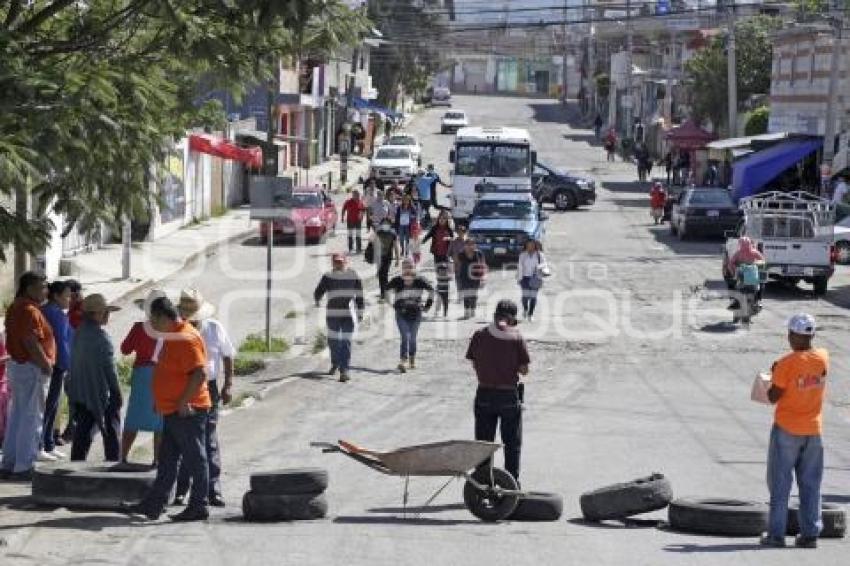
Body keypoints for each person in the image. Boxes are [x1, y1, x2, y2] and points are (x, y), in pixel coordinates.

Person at [122, 296, 211, 522]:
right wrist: (161, 399)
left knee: (195, 458)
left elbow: (199, 373)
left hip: (188, 411)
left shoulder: (186, 338)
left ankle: (199, 505)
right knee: (167, 460)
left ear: (163, 317)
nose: (150, 324)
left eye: (153, 319)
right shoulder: (173, 335)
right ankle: (153, 505)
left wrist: (183, 402)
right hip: (172, 409)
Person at [760, 314, 828, 549]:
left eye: (791, 334)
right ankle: (810, 534)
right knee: (811, 484)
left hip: (787, 430)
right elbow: (810, 375)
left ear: (793, 335)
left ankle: (776, 535)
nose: (789, 338)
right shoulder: (823, 358)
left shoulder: (786, 363)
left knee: (780, 483)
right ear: (812, 335)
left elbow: (773, 397)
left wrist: (772, 376)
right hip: (814, 430)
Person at [174, 289, 235, 508]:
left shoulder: (214, 328)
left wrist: (228, 384)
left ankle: (213, 489)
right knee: (186, 441)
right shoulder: (177, 331)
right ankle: (181, 490)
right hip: (184, 388)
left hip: (208, 387)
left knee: (208, 439)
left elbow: (228, 356)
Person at [465, 300, 530, 483]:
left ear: (495, 315)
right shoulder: (516, 336)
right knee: (512, 444)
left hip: (484, 394)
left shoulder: (479, 334)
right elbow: (524, 370)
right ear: (511, 319)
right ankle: (511, 485)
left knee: (484, 445)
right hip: (508, 395)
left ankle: (483, 484)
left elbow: (474, 362)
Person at [1, 272, 55, 480]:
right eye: (42, 286)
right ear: (30, 288)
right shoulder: (29, 310)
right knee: (31, 418)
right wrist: (45, 364)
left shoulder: (16, 307)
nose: (46, 290)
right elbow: (30, 341)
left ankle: (11, 462)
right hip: (31, 367)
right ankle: (24, 465)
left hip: (18, 366)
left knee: (18, 416)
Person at [67, 294, 122, 462]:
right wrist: (117, 392)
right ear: (96, 314)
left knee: (83, 432)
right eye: (105, 312)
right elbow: (110, 370)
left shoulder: (78, 333)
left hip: (80, 389)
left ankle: (75, 467)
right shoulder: (101, 337)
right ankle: (113, 468)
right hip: (98, 391)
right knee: (111, 429)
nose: (107, 316)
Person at [120, 290, 164, 466]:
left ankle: (122, 457)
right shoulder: (169, 329)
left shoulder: (139, 327)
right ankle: (157, 460)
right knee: (160, 420)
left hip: (141, 375)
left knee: (134, 416)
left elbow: (125, 349)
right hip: (161, 375)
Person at [314, 253, 365, 383]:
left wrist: (360, 312)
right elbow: (319, 291)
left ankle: (344, 371)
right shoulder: (327, 277)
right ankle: (335, 363)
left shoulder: (353, 276)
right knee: (333, 342)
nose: (339, 264)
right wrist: (317, 299)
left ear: (345, 262)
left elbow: (359, 296)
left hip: (348, 313)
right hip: (332, 313)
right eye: (336, 262)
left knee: (345, 342)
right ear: (333, 263)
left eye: (341, 261)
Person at [41, 280, 73, 460]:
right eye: (66, 296)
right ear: (56, 296)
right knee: (50, 405)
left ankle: (48, 443)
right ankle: (43, 444)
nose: (69, 299)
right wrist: (66, 364)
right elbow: (61, 342)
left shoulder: (50, 311)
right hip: (56, 364)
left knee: (53, 406)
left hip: (53, 362)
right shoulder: (55, 314)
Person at [387, 259, 434, 372]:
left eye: (410, 267)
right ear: (402, 268)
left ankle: (412, 358)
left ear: (414, 268)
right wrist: (392, 304)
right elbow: (386, 291)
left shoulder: (420, 280)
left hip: (416, 313)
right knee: (405, 336)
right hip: (401, 313)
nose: (408, 270)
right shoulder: (397, 280)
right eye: (406, 267)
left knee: (412, 338)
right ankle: (403, 360)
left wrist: (427, 306)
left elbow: (431, 291)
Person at [516, 239, 548, 321]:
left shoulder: (539, 255)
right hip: (525, 278)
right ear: (526, 246)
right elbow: (520, 267)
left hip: (536, 277)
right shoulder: (522, 255)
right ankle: (525, 309)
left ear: (535, 245)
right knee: (525, 297)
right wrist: (519, 278)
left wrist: (539, 267)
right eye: (528, 245)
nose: (530, 246)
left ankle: (531, 314)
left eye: (532, 245)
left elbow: (544, 264)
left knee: (533, 297)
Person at [457, 239, 487, 319]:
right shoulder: (461, 254)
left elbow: (483, 265)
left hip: (476, 276)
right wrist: (457, 276)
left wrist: (483, 277)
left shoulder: (479, 253)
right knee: (466, 294)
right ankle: (467, 311)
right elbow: (459, 265)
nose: (470, 246)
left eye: (472, 244)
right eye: (468, 244)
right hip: (464, 276)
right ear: (465, 246)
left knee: (474, 294)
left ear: (475, 245)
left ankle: (473, 309)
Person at [373, 218, 401, 301]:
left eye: (387, 223)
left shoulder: (393, 233)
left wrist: (398, 259)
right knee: (380, 275)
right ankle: (384, 292)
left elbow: (396, 246)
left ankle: (384, 293)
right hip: (379, 257)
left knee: (384, 275)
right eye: (384, 223)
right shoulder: (378, 232)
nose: (385, 225)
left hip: (388, 257)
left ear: (390, 224)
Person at [341, 189, 367, 254]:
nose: (357, 196)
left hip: (358, 221)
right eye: (356, 194)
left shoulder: (361, 202)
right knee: (350, 235)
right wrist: (342, 217)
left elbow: (364, 210)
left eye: (358, 195)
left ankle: (359, 248)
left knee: (358, 235)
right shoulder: (348, 202)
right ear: (353, 195)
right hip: (350, 221)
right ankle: (350, 248)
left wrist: (362, 214)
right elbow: (343, 209)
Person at [448, 224, 469, 303]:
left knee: (465, 282)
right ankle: (460, 297)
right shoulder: (453, 242)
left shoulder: (468, 242)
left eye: (462, 232)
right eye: (459, 232)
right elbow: (449, 253)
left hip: (466, 266)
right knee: (458, 282)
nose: (460, 234)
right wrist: (451, 260)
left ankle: (465, 297)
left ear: (465, 233)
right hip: (457, 266)